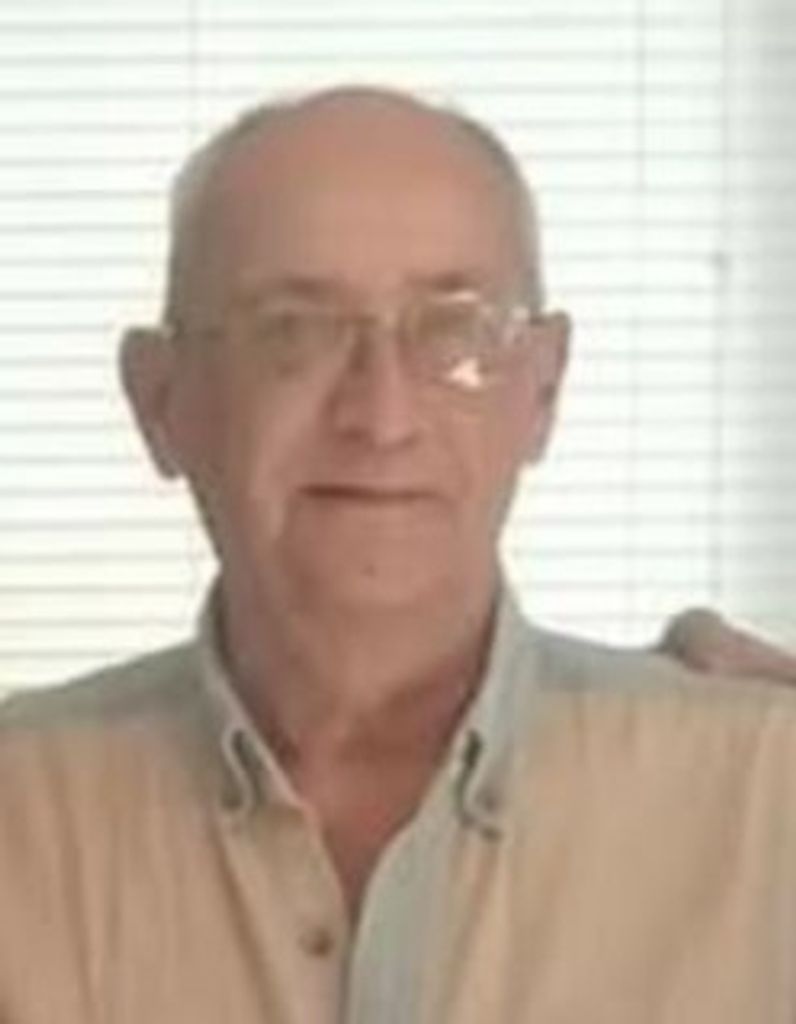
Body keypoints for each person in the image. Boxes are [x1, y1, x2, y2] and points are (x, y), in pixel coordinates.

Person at [0, 86, 794, 1023]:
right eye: (292, 333)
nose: (381, 417)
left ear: (543, 390)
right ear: (161, 401)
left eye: (454, 330)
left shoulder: (767, 800)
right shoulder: (20, 815)